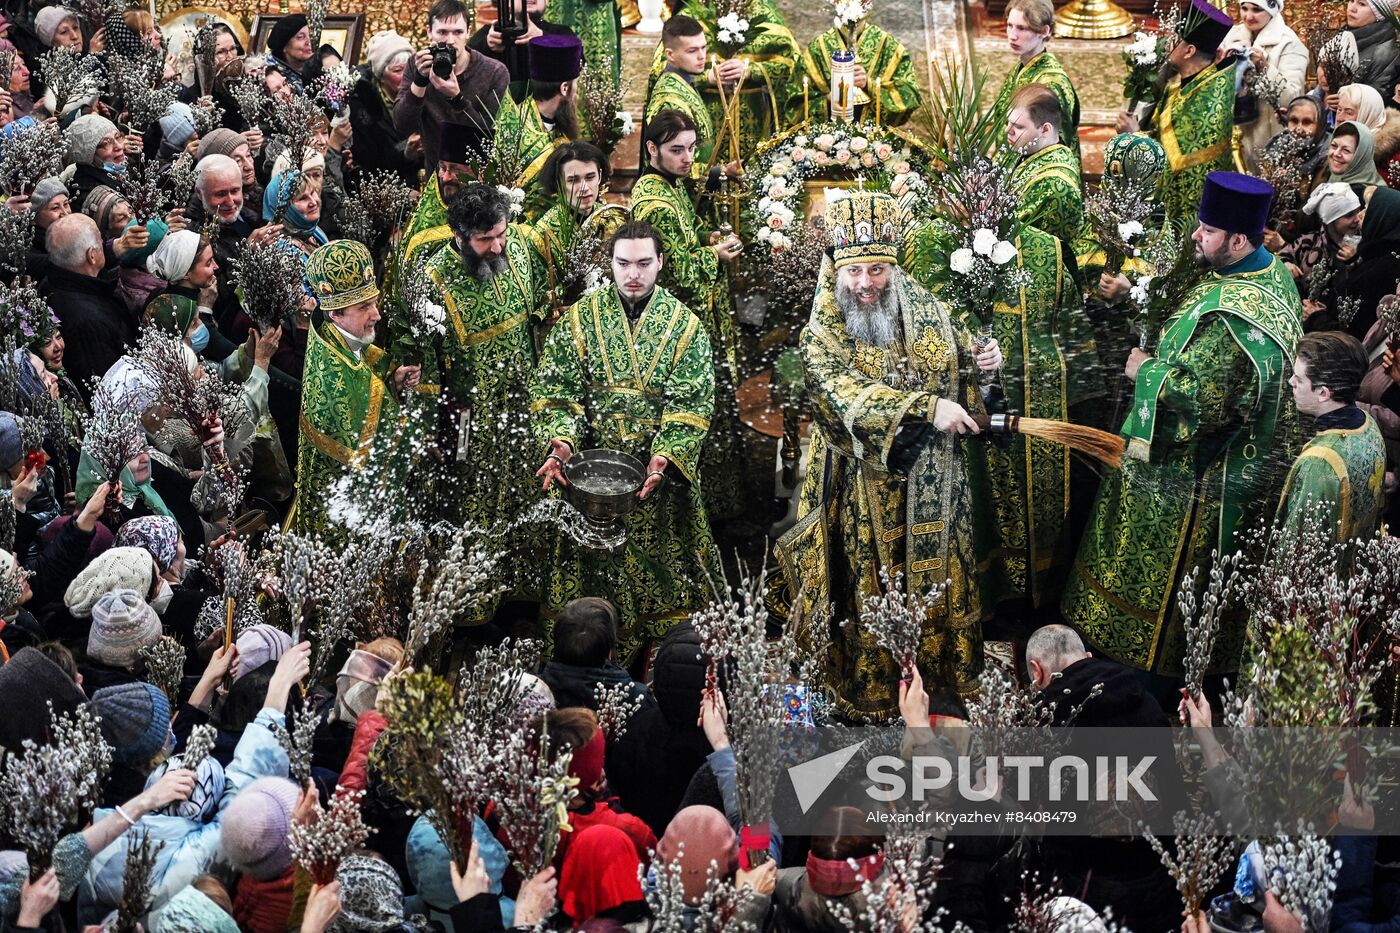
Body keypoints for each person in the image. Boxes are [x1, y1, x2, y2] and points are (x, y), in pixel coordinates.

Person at [1064, 172, 1302, 694]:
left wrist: (1143, 371)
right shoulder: (1266, 274)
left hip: (1195, 475)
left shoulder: (1236, 318)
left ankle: (1141, 665)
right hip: (1212, 463)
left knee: (1147, 574)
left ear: (1239, 240)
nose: (1197, 235)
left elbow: (1203, 399)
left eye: (1208, 230)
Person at [774, 191, 1003, 721]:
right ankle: (873, 692)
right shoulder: (821, 331)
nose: (865, 285)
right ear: (837, 269)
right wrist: (924, 408)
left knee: (941, 575)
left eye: (878, 270)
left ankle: (940, 681)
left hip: (935, 481)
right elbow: (838, 392)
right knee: (869, 583)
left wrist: (985, 364)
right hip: (859, 483)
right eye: (855, 271)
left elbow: (964, 365)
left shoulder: (927, 308)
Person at [532, 221, 724, 662]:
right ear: (610, 264)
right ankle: (584, 647)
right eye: (622, 263)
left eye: (642, 263)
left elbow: (692, 402)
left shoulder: (685, 327)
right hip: (589, 477)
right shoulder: (580, 320)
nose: (632, 274)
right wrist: (561, 444)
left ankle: (659, 657)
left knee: (663, 580)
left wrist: (662, 460)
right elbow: (556, 390)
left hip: (654, 481)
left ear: (660, 263)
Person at [907, 219, 1096, 611]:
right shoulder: (924, 248)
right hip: (955, 410)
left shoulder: (1048, 252)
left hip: (1022, 409)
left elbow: (1073, 347)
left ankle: (1025, 592)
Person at [420, 183, 551, 575]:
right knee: (474, 503)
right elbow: (426, 363)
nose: (497, 248)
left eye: (501, 235)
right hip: (470, 420)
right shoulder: (433, 281)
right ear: (459, 237)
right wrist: (431, 426)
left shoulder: (521, 250)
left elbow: (542, 301)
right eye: (484, 240)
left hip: (524, 405)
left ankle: (523, 581)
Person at [631, 110, 745, 522]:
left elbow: (685, 234)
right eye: (677, 149)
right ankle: (709, 511)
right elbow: (673, 269)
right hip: (684, 324)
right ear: (651, 149)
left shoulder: (668, 185)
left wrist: (706, 237)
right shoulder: (655, 200)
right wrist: (712, 256)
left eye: (692, 149)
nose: (687, 158)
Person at [285, 239, 421, 537]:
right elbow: (372, 445)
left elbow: (368, 374)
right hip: (344, 522)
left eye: (374, 302)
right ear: (335, 314)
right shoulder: (331, 378)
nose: (377, 315)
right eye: (364, 307)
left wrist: (392, 379)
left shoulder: (337, 340)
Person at [1116, 0, 1238, 233]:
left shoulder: (1207, 106)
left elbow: (1177, 165)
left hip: (1185, 221)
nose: (1168, 45)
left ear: (1189, 51)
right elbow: (1161, 133)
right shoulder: (1179, 85)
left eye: (1174, 41)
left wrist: (1135, 136)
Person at [1277, 331, 1386, 540]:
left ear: (1323, 393)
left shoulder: (1318, 463)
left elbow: (1297, 544)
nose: (1291, 381)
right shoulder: (1368, 423)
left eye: (1299, 379)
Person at [659, 0, 798, 163]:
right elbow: (664, 71)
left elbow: (791, 65)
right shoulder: (692, 14)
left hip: (754, 115)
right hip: (705, 114)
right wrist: (706, 77)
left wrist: (752, 71)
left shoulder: (765, 12)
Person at [393, 0, 509, 176]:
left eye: (458, 32)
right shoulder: (417, 64)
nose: (450, 40)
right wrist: (420, 81)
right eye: (442, 32)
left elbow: (488, 140)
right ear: (429, 32)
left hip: (479, 177)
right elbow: (402, 126)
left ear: (468, 32)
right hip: (437, 176)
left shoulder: (494, 72)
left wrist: (456, 98)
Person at [40, 213, 138, 400]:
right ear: (92, 255)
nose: (105, 245)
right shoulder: (88, 321)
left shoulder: (52, 282)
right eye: (101, 242)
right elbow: (109, 389)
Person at [489, 33, 583, 221]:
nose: (577, 93)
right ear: (565, 88)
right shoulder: (518, 129)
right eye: (576, 85)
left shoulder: (559, 123)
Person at [533, 140, 628, 319]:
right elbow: (537, 295)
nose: (584, 188)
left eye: (590, 177)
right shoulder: (541, 234)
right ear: (559, 183)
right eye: (573, 180)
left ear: (600, 176)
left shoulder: (616, 219)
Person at [790, 0, 922, 127]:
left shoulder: (889, 47)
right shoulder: (817, 49)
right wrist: (827, 101)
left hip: (877, 142)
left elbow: (909, 98)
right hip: (827, 143)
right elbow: (794, 109)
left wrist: (869, 85)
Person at [1220, 0, 1308, 171]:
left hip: (1269, 139)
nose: (1248, 16)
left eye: (1256, 9)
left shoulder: (1289, 43)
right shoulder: (1232, 36)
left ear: (1272, 10)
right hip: (1233, 138)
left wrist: (1265, 67)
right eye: (1244, 8)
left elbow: (1292, 99)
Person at [990, 0, 1081, 163]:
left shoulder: (1051, 83)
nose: (1012, 35)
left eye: (1022, 28)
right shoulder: (1023, 66)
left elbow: (1054, 144)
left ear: (1044, 31)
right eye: (1010, 25)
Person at [1005, 83, 1084, 245]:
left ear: (1045, 130)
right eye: (1008, 123)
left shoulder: (1054, 184)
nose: (1008, 131)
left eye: (1018, 127)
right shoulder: (1030, 147)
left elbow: (1013, 236)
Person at [350, 31, 423, 186]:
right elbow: (371, 160)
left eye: (409, 69)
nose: (406, 76)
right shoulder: (363, 103)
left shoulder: (423, 89)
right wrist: (404, 153)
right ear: (381, 75)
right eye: (398, 71)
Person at [645, 16, 714, 171]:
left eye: (703, 47)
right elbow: (674, 162)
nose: (702, 56)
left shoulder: (684, 81)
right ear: (670, 55)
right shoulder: (670, 99)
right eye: (692, 51)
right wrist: (719, 172)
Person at [467, 0, 574, 88]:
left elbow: (575, 62)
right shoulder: (491, 32)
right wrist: (487, 45)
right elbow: (466, 64)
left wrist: (543, 38)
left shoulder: (562, 33)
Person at [1342, 0, 1400, 102]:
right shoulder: (1342, 38)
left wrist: (1341, 100)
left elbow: (1374, 102)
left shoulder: (1387, 54)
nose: (1352, 8)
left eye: (1362, 4)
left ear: (1380, 14)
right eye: (1351, 1)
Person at [1327, 119, 1389, 187]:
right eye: (1334, 146)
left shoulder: (1368, 194)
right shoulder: (1335, 178)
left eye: (1346, 150)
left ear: (1361, 156)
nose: (1336, 153)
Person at [264, 14, 317, 93]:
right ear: (284, 47)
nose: (309, 42)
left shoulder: (319, 67)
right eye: (301, 37)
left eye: (310, 36)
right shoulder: (271, 76)